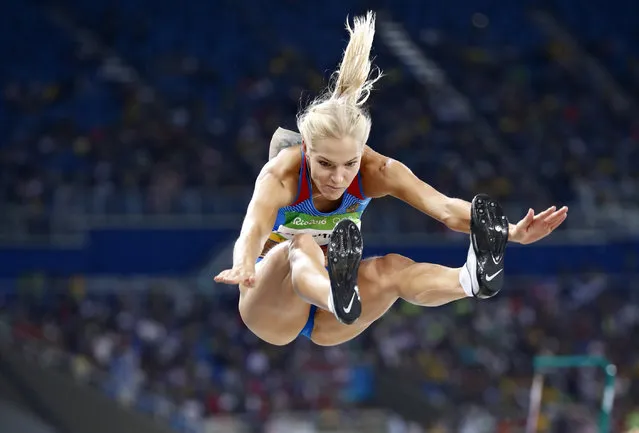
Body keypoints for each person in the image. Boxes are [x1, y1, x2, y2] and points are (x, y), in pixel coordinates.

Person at [214, 11, 568, 346]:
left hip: (333, 322)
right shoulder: (282, 174)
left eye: (349, 164)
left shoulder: (378, 170)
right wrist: (243, 264)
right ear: (305, 149)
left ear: (362, 152)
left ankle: (468, 280)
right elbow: (253, 229)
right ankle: (335, 294)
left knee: (393, 269)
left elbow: (443, 208)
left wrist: (509, 232)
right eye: (324, 164)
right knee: (301, 244)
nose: (338, 178)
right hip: (272, 307)